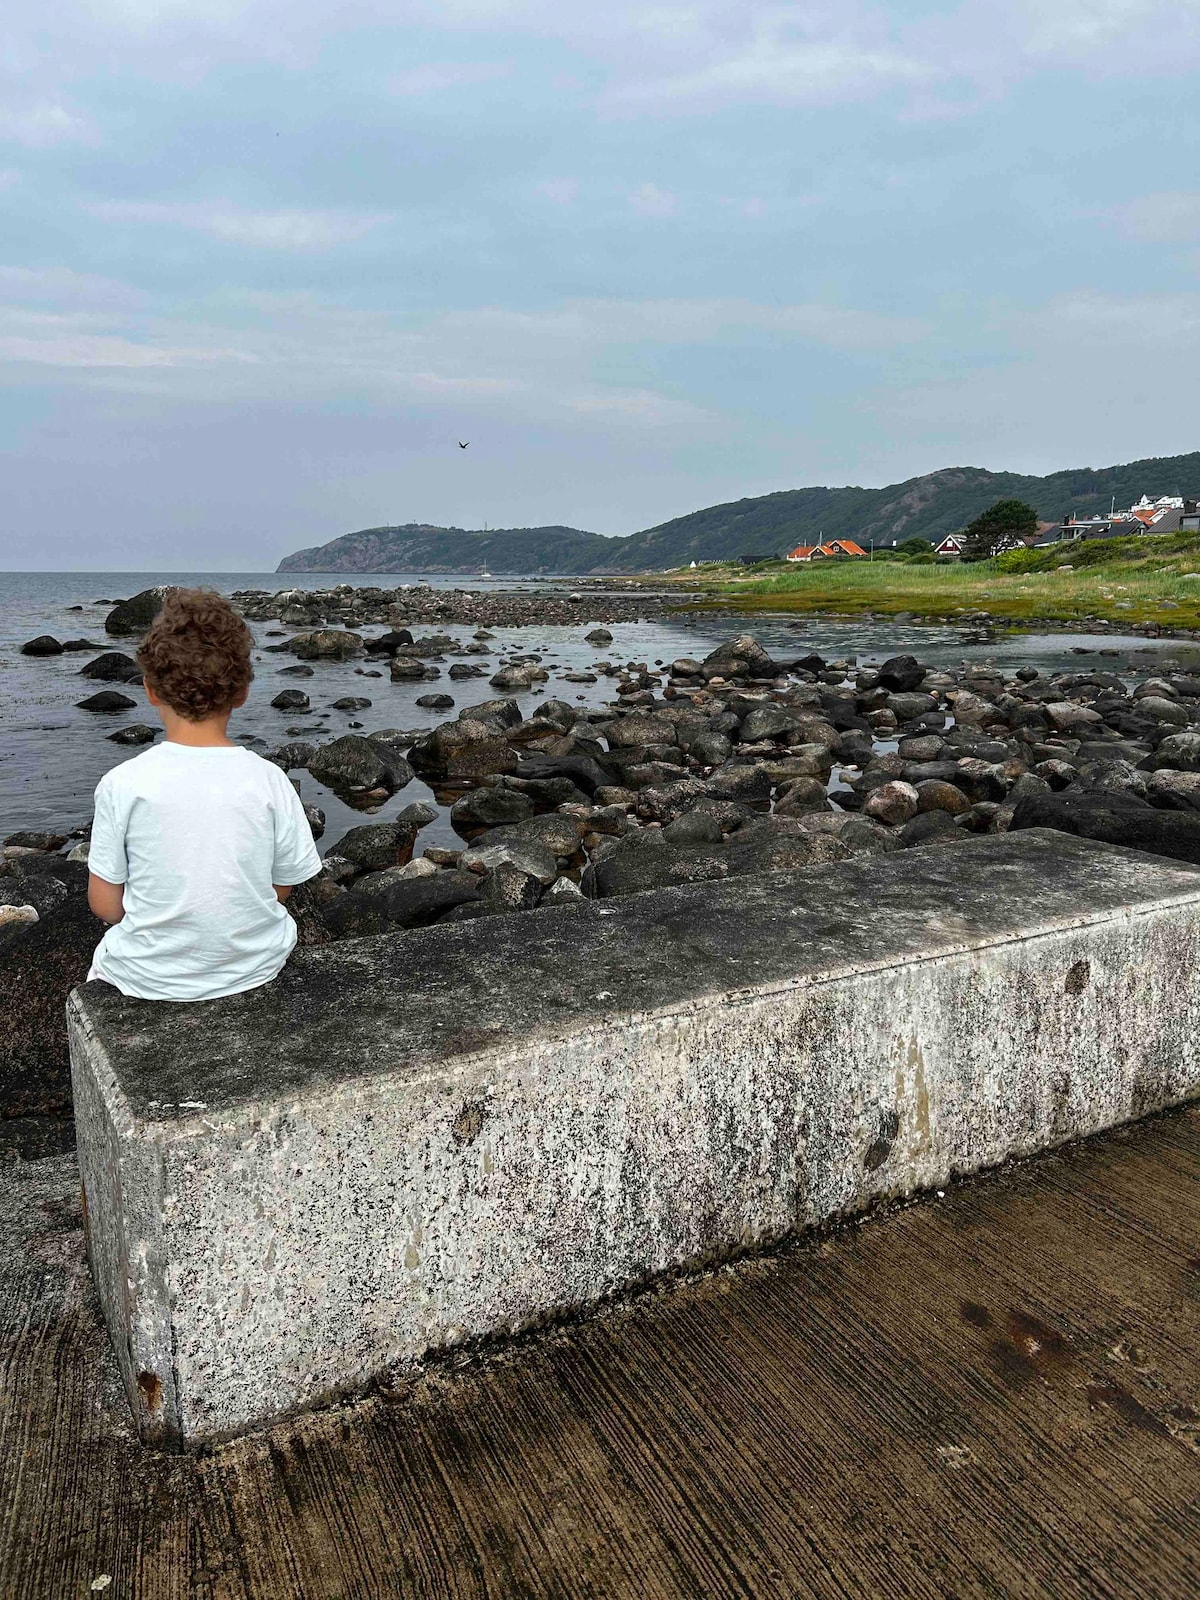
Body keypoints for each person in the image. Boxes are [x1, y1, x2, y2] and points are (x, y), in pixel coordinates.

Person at [86, 588, 321, 1001]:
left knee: (106, 961)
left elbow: (106, 906)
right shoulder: (269, 780)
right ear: (243, 692)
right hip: (255, 966)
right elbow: (282, 886)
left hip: (149, 978)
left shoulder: (123, 783)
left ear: (150, 690)